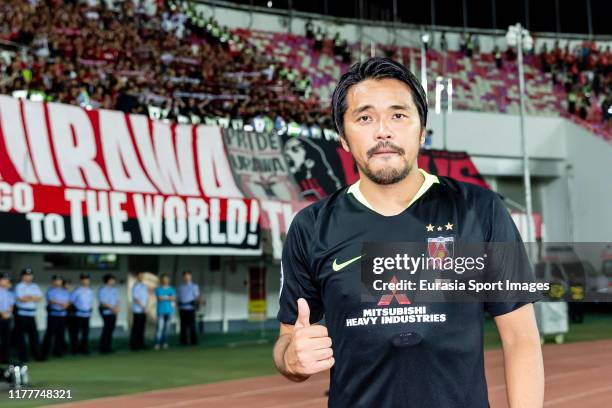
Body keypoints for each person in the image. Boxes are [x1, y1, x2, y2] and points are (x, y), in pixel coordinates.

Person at [273, 57, 544, 407]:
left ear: (421, 129)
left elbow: (521, 337)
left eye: (398, 115)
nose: (383, 130)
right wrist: (290, 358)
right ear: (343, 136)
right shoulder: (311, 227)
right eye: (365, 117)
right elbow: (285, 342)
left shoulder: (480, 210)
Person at [13, 267, 42, 362]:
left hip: (31, 314)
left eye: (30, 275)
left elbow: (39, 298)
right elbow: (21, 299)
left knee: (34, 336)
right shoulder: (19, 286)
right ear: (22, 276)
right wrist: (32, 297)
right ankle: (23, 357)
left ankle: (37, 355)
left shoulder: (35, 286)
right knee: (20, 337)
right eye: (26, 275)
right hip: (21, 314)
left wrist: (28, 297)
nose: (28, 277)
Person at [41, 274, 69, 360]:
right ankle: (45, 353)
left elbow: (68, 301)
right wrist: (61, 304)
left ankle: (58, 352)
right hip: (53, 315)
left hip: (62, 315)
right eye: (56, 280)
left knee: (60, 334)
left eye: (60, 280)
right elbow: (51, 301)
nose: (58, 282)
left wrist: (66, 305)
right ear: (53, 281)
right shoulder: (50, 291)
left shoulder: (65, 291)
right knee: (49, 334)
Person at [69, 273, 93, 355]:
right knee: (76, 333)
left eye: (87, 279)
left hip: (87, 315)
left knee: (85, 333)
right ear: (81, 280)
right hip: (78, 315)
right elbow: (71, 301)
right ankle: (75, 349)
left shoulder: (90, 290)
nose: (86, 281)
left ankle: (84, 349)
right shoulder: (77, 290)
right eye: (84, 279)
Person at [178, 270, 201, 345]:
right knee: (183, 326)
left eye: (188, 276)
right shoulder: (181, 287)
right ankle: (183, 341)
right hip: (182, 309)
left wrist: (197, 304)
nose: (187, 277)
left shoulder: (194, 286)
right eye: (185, 276)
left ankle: (193, 341)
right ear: (183, 277)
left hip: (191, 308)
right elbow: (179, 297)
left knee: (192, 326)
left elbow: (197, 297)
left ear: (191, 277)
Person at [98, 273, 120, 353]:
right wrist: (112, 308)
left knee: (111, 329)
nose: (113, 281)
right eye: (112, 280)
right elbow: (103, 302)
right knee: (106, 329)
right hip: (106, 312)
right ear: (107, 281)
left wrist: (117, 308)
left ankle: (109, 346)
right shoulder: (102, 289)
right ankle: (103, 347)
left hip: (114, 312)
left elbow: (117, 300)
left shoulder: (114, 290)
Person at [154, 274, 176, 350]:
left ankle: (165, 342)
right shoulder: (158, 289)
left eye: (167, 279)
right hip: (161, 311)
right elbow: (160, 298)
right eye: (164, 279)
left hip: (169, 311)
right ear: (161, 280)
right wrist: (169, 297)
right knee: (160, 328)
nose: (165, 281)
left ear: (168, 280)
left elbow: (173, 298)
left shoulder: (172, 289)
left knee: (166, 328)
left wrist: (165, 297)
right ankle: (157, 343)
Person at [130, 271, 149, 350]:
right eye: (140, 276)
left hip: (144, 310)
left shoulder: (144, 286)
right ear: (137, 277)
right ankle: (134, 345)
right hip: (138, 310)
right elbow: (135, 298)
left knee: (142, 327)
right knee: (136, 328)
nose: (141, 278)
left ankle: (141, 343)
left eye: (142, 276)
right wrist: (143, 308)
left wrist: (146, 308)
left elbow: (146, 298)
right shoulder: (135, 286)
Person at [0, 273, 14, 364]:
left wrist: (7, 313)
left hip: (7, 318)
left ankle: (5, 359)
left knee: (6, 340)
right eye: (4, 279)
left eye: (7, 279)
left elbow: (11, 305)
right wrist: (2, 313)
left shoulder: (8, 292)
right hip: (1, 316)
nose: (6, 281)